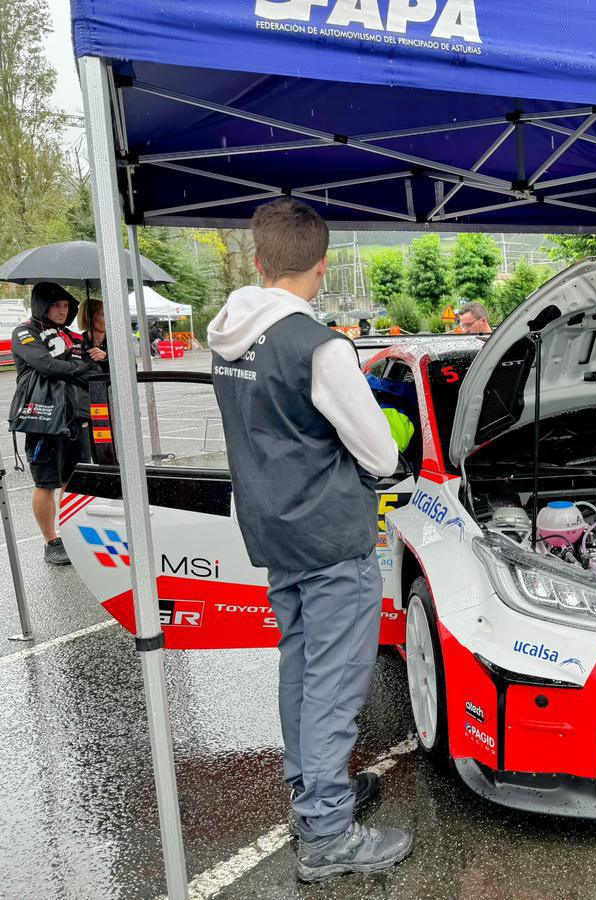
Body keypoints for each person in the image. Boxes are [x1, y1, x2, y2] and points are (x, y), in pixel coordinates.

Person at [208, 198, 412, 883]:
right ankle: (327, 834)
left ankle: (312, 798)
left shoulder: (227, 336)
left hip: (274, 531)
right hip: (329, 536)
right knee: (333, 683)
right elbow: (380, 454)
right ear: (321, 269)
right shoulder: (319, 345)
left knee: (300, 667)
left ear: (260, 261)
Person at [11, 283, 100, 565]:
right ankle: (51, 541)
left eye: (66, 306)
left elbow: (93, 371)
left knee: (72, 481)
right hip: (43, 418)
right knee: (46, 482)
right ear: (42, 305)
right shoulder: (25, 331)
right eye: (56, 305)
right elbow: (45, 365)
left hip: (75, 418)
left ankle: (73, 534)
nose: (62, 311)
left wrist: (95, 358)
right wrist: (80, 367)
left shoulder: (73, 336)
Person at [79, 297, 110, 374]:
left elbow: (132, 368)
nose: (109, 318)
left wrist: (106, 359)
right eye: (103, 314)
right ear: (89, 317)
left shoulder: (118, 342)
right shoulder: (77, 343)